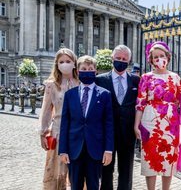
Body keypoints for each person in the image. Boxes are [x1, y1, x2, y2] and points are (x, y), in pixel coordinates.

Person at [134, 41, 181, 190]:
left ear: (167, 57)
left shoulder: (175, 78)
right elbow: (140, 102)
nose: (159, 59)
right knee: (151, 159)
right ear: (150, 60)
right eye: (155, 57)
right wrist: (136, 125)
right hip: (149, 123)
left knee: (168, 160)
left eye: (162, 56)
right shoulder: (146, 77)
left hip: (170, 125)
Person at [59, 55, 114, 190]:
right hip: (74, 149)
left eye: (90, 68)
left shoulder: (105, 94)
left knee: (94, 185)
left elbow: (108, 124)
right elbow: (64, 124)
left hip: (95, 150)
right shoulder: (69, 95)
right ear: (77, 71)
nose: (87, 71)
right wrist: (63, 150)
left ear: (95, 71)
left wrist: (108, 150)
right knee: (75, 185)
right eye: (83, 68)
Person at [96, 45, 140, 190]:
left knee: (126, 170)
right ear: (112, 59)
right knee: (106, 169)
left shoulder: (136, 80)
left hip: (128, 133)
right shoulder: (100, 80)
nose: (121, 61)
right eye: (118, 58)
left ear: (129, 61)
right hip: (107, 132)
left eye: (124, 59)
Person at [39, 48, 79, 190]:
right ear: (57, 64)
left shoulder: (80, 83)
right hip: (58, 130)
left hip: (77, 132)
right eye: (61, 62)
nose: (65, 64)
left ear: (74, 63)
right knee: (57, 171)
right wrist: (43, 133)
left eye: (68, 61)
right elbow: (46, 111)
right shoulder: (51, 84)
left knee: (77, 171)